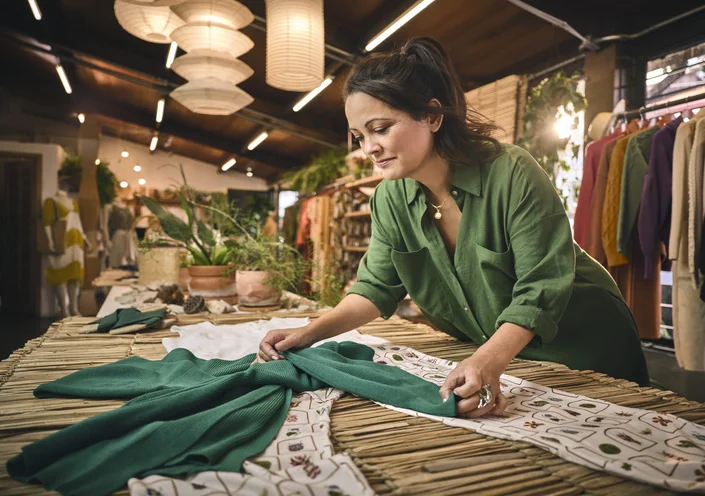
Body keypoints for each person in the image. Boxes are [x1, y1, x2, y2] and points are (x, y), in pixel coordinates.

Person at [257, 37, 649, 418]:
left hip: (585, 344)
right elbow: (376, 288)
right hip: (504, 357)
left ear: (431, 115)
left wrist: (487, 359)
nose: (368, 148)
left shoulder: (511, 172)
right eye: (360, 136)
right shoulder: (390, 200)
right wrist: (308, 332)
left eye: (380, 128)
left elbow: (541, 287)